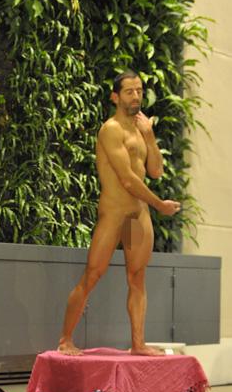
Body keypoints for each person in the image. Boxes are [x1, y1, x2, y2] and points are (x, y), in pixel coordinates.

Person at [57, 70, 181, 356]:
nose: (136, 96)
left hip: (135, 218)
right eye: (129, 91)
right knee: (92, 275)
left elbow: (156, 171)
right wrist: (159, 205)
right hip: (114, 215)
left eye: (139, 91)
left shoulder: (140, 130)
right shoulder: (110, 129)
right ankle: (65, 339)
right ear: (115, 97)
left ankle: (138, 344)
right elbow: (126, 180)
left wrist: (149, 136)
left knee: (137, 279)